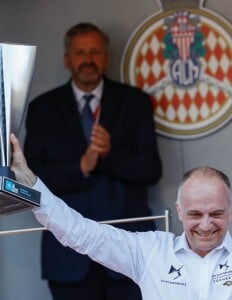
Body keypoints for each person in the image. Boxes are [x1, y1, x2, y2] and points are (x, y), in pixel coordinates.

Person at [11, 134, 232, 300]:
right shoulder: (150, 252)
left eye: (216, 213)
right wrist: (32, 186)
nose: (205, 224)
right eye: (195, 214)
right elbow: (81, 234)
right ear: (178, 211)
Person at [23, 22, 162, 300]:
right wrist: (80, 167)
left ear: (106, 57)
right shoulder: (42, 108)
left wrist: (111, 153)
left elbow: (151, 170)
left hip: (128, 252)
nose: (88, 59)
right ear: (67, 59)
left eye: (95, 51)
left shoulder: (135, 102)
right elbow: (30, 180)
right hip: (67, 256)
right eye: (80, 52)